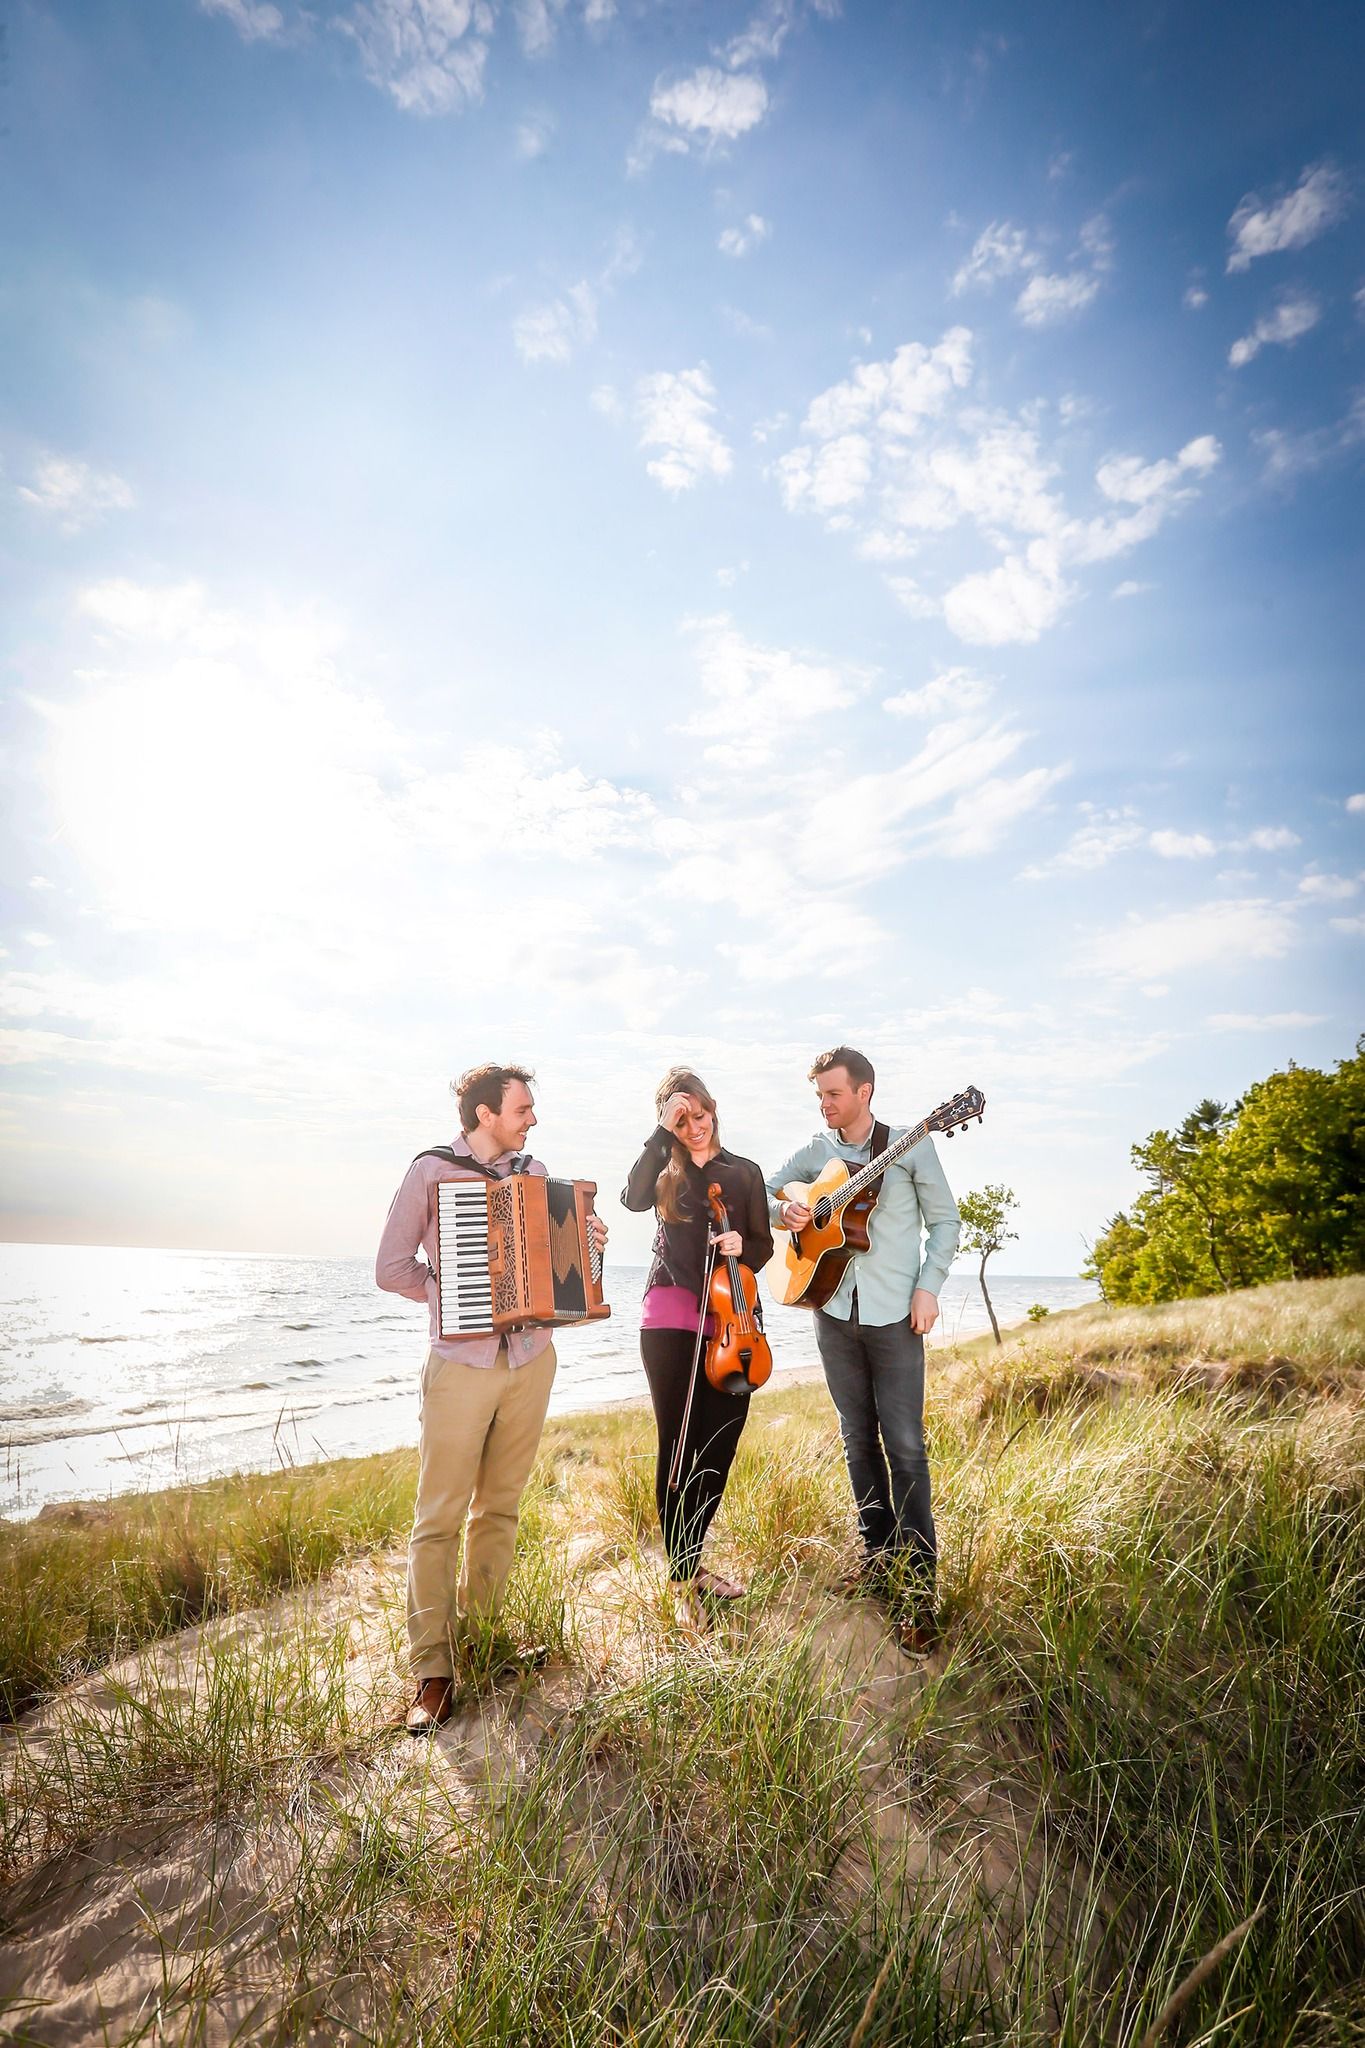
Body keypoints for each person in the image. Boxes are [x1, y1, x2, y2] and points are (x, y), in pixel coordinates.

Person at [376, 1062, 608, 1734]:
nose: (531, 1119)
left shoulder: (533, 1176)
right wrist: (453, 1296)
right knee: (437, 1519)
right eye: (522, 1109)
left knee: (500, 1509)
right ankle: (434, 1672)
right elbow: (391, 1268)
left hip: (531, 1361)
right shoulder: (430, 1172)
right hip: (461, 1368)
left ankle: (478, 1644)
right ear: (484, 1114)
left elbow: (565, 1273)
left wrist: (591, 1250)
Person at [765, 1046, 959, 1656]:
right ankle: (877, 1558)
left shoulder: (910, 1146)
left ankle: (920, 1593)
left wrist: (928, 1288)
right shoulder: (816, 1153)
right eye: (819, 1095)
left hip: (895, 1315)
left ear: (865, 1091)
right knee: (856, 1438)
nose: (824, 1105)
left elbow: (946, 1223)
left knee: (904, 1445)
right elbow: (761, 1193)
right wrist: (785, 1211)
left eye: (834, 1094)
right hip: (831, 1313)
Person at [621, 1068, 773, 1610]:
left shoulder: (745, 1173)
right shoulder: (663, 1169)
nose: (694, 1127)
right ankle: (684, 1570)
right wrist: (661, 1135)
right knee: (678, 1441)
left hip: (733, 1322)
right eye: (681, 1120)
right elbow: (632, 1199)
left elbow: (763, 1247)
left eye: (699, 1115)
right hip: (671, 1315)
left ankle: (691, 1551)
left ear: (713, 1109)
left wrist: (742, 1246)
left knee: (722, 1439)